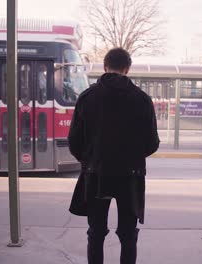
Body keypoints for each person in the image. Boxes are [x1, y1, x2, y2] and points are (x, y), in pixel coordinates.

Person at [68, 47, 160, 264]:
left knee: (96, 232)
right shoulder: (142, 99)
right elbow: (152, 143)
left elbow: (74, 142)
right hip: (130, 176)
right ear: (127, 69)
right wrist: (133, 157)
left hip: (96, 174)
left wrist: (91, 159)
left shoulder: (87, 97)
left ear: (105, 67)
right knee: (128, 235)